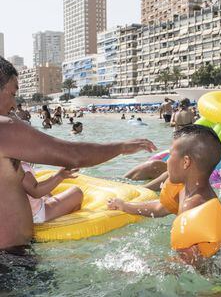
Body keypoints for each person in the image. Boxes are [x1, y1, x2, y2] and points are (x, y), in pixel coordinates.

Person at [0, 56, 157, 250]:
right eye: (13, 93)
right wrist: (121, 147)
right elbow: (73, 155)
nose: (15, 104)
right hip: (12, 258)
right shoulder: (5, 129)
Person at [108, 125, 221, 265]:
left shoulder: (195, 205)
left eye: (170, 155)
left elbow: (191, 265)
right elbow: (160, 207)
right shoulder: (185, 189)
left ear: (186, 162)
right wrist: (125, 206)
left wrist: (141, 264)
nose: (168, 161)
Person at [124, 130, 221, 190]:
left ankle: (142, 190)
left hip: (205, 185)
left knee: (179, 172)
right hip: (202, 175)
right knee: (154, 165)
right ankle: (119, 182)